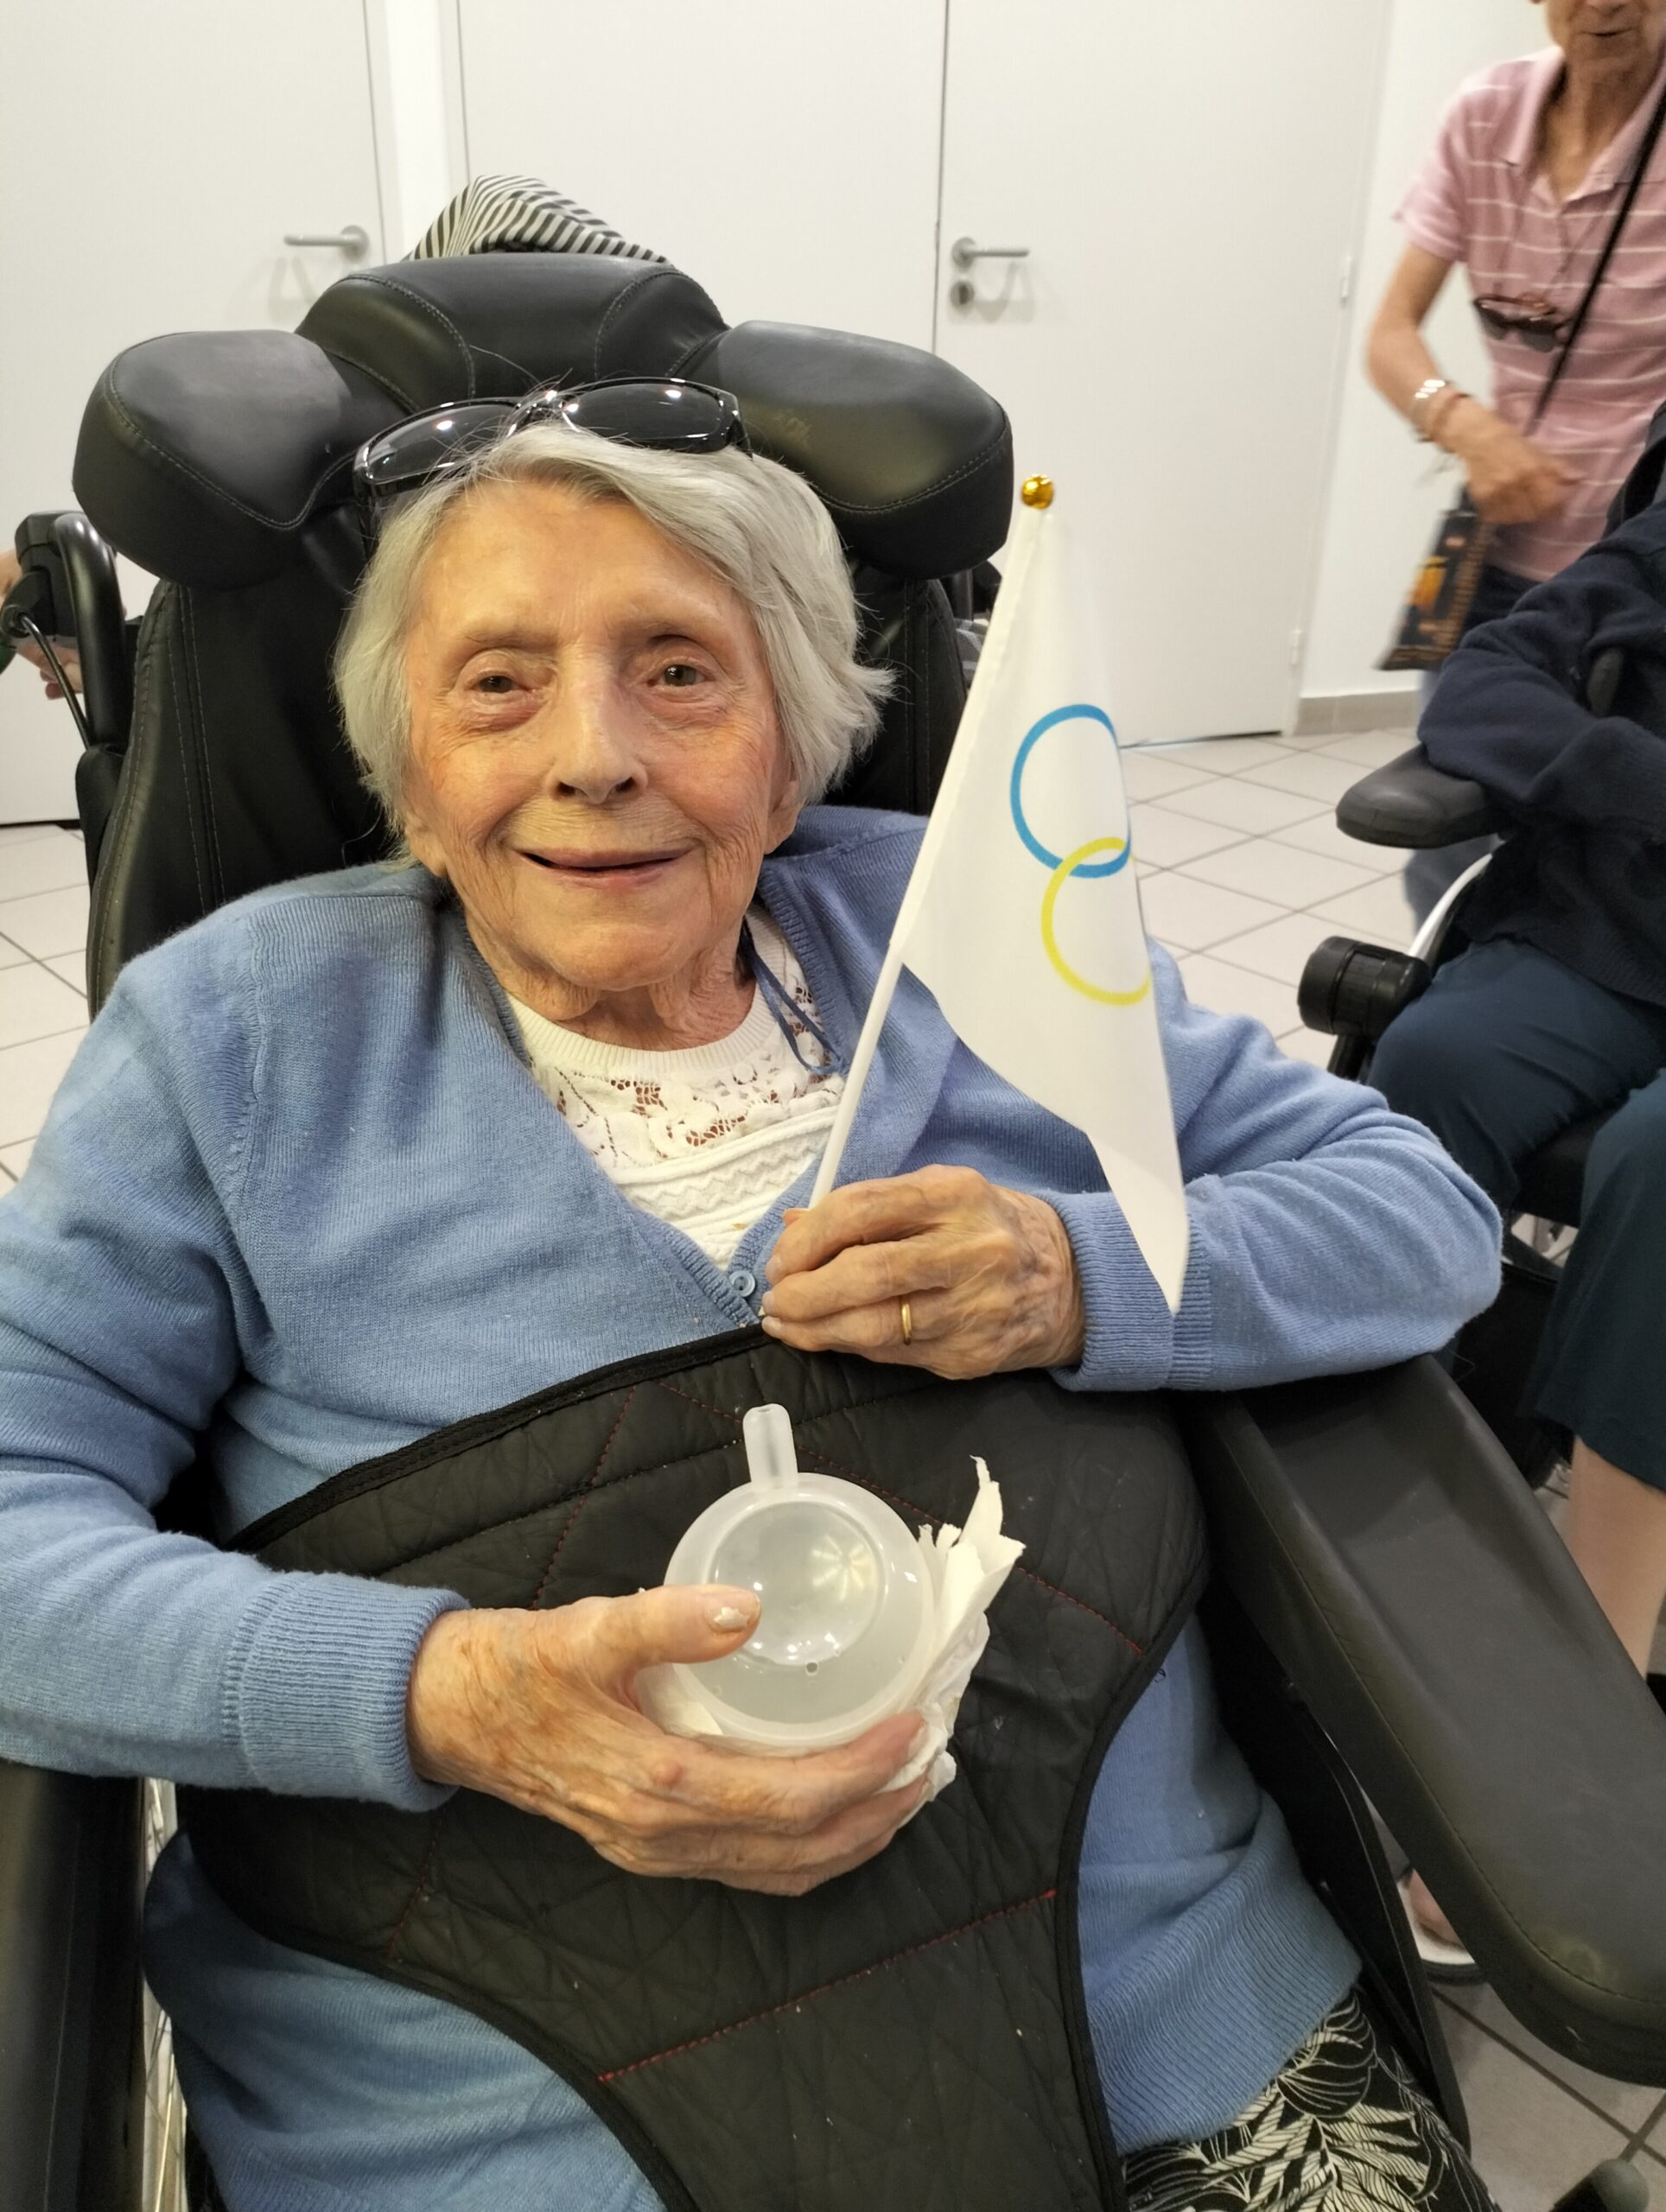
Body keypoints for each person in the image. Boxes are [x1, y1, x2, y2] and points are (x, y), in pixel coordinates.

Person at [0, 404, 1502, 2211]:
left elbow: (1417, 1215)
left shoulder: (967, 937)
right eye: (498, 684)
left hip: (1149, 2028)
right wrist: (447, 1693)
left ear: (789, 750)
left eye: (678, 672)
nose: (594, 755)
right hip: (507, 2118)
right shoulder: (238, 1040)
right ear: (407, 777)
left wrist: (1073, 1274)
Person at [1370, 492, 1666, 1969]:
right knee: (1430, 1058)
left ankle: (1591, 1686)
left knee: (1658, 1165)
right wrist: (1629, 778)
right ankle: (1380, 1508)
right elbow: (1485, 679)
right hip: (1616, 935)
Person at [1368, 0, 1666, 925]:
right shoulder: (1485, 113)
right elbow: (1389, 335)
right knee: (1446, 845)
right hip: (1497, 572)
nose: (1605, 2)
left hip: (1636, 586)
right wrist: (1464, 424)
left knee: (1609, 864)